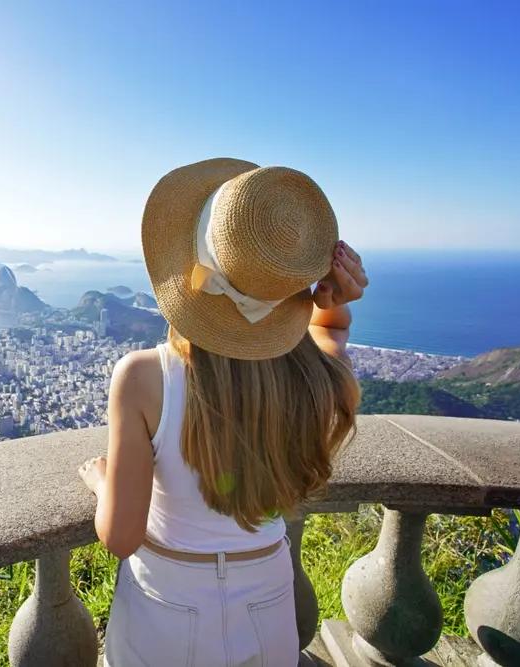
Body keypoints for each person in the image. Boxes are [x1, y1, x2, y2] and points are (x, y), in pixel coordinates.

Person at [78, 158, 366, 667]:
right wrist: (333, 302)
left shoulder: (145, 378)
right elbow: (330, 336)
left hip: (166, 611)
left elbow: (121, 537)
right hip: (271, 602)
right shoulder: (318, 380)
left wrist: (104, 484)